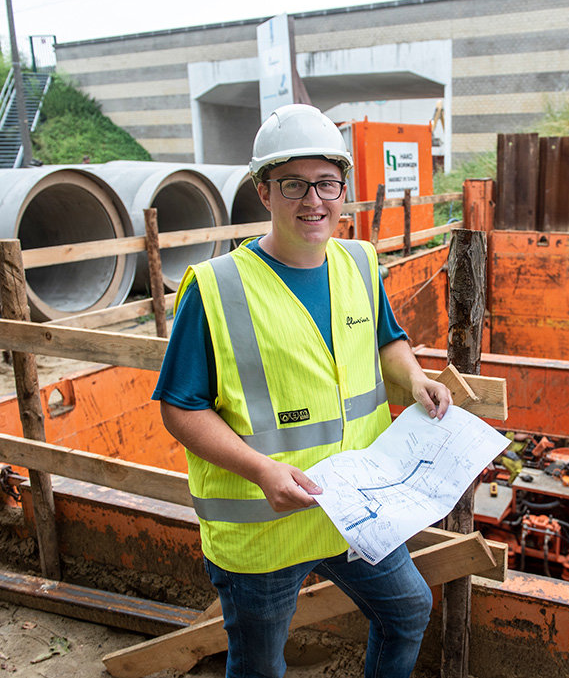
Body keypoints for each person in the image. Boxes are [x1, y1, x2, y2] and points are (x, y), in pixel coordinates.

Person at [152, 103, 452, 678]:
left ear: (344, 190)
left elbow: (387, 340)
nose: (313, 200)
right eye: (293, 184)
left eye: (326, 183)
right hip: (264, 527)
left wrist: (414, 378)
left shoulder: (360, 263)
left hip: (354, 508)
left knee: (409, 611)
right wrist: (263, 471)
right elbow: (180, 407)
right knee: (261, 665)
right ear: (264, 192)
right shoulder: (217, 288)